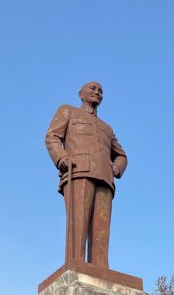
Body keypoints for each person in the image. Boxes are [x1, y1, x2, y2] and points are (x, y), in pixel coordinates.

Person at [45, 81, 127, 270]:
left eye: (100, 91)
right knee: (78, 225)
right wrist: (61, 158)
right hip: (79, 172)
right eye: (93, 89)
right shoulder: (68, 111)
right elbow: (52, 137)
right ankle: (77, 265)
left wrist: (117, 168)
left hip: (105, 179)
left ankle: (101, 269)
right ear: (80, 94)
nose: (97, 92)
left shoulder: (107, 128)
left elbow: (121, 154)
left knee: (102, 231)